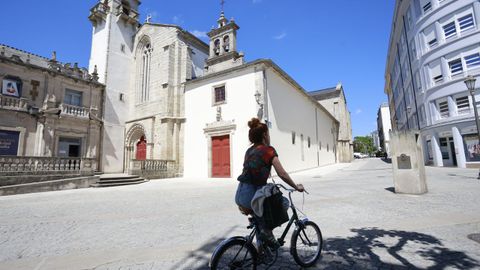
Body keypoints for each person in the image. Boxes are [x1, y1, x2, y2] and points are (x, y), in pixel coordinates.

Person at [235, 118, 305, 248]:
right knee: (283, 203)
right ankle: (267, 232)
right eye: (268, 133)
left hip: (240, 193)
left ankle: (262, 251)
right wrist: (296, 187)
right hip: (252, 195)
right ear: (264, 135)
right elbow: (282, 173)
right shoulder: (268, 150)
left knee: (261, 218)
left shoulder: (249, 151)